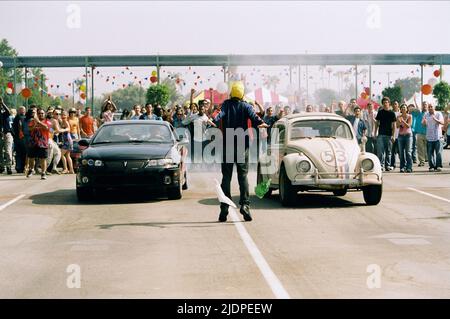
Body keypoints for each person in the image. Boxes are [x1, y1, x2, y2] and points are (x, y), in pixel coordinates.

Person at [213, 81, 268, 222]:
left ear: (231, 93)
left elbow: (218, 115)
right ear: (242, 93)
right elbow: (255, 118)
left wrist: (213, 119)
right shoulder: (246, 106)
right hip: (242, 146)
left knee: (226, 177)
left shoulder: (226, 104)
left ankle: (224, 208)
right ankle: (245, 205)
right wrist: (261, 123)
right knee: (243, 177)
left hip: (227, 145)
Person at [26, 108, 52, 180]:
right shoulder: (32, 121)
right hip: (33, 142)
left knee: (43, 159)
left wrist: (38, 122)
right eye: (39, 113)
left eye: (42, 113)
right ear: (37, 114)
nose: (41, 114)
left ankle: (43, 172)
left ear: (45, 114)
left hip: (43, 143)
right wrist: (35, 123)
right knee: (31, 158)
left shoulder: (48, 121)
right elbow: (30, 129)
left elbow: (46, 128)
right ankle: (31, 170)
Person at [375, 97, 396, 171]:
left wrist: (393, 135)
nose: (385, 104)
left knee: (389, 151)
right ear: (382, 104)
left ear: (389, 103)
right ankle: (381, 165)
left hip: (389, 135)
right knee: (380, 151)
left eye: (386, 102)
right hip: (381, 134)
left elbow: (394, 125)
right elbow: (377, 123)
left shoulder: (392, 113)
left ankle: (388, 165)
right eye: (384, 102)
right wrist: (375, 133)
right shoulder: (380, 112)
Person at [421, 103, 444, 171]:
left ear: (434, 107)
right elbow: (423, 123)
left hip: (437, 136)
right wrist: (424, 123)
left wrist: (435, 119)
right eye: (429, 107)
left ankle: (438, 166)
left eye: (431, 107)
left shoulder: (438, 114)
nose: (430, 108)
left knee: (438, 152)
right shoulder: (426, 114)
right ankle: (431, 166)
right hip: (429, 137)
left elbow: (442, 122)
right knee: (430, 153)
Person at [397, 104, 413, 173]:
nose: (403, 108)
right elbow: (397, 126)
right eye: (402, 107)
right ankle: (402, 167)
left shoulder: (410, 116)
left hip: (408, 136)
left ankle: (409, 167)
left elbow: (409, 125)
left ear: (407, 109)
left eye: (404, 107)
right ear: (400, 109)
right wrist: (399, 122)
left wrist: (403, 121)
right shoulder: (398, 116)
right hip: (400, 136)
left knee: (408, 152)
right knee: (401, 152)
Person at [412, 100, 428, 166]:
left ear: (427, 106)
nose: (424, 106)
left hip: (428, 133)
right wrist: (416, 106)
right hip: (419, 133)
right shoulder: (418, 113)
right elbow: (411, 111)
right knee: (420, 148)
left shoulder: (429, 114)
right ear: (422, 106)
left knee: (428, 148)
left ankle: (428, 159)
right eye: (423, 104)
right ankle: (422, 161)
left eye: (425, 104)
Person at [0, 97, 14, 174]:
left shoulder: (5, 113)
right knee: (0, 152)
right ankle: (1, 166)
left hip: (7, 133)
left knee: (8, 151)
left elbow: (8, 112)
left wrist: (2, 103)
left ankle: (9, 166)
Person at [12, 106, 27, 173]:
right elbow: (13, 128)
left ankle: (23, 167)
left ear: (25, 111)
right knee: (18, 153)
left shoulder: (26, 118)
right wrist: (15, 137)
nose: (21, 111)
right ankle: (18, 167)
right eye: (20, 110)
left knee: (24, 153)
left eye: (23, 110)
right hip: (18, 139)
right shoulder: (16, 118)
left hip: (25, 139)